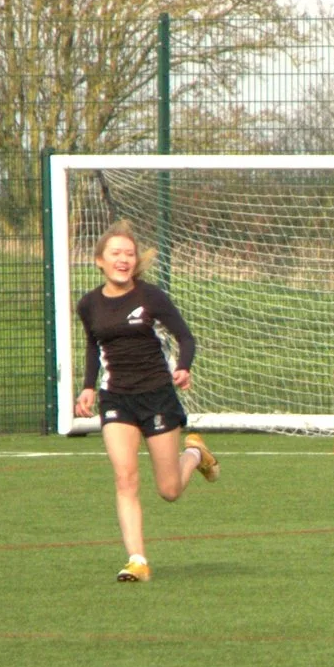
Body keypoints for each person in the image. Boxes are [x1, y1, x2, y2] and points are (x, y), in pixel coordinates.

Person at [73, 220, 217, 583]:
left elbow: (185, 337)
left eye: (129, 253)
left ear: (135, 261)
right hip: (116, 397)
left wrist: (183, 368)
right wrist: (88, 387)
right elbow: (94, 345)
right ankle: (136, 559)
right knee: (125, 477)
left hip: (156, 395)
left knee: (168, 490)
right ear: (99, 261)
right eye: (115, 254)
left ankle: (196, 453)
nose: (123, 259)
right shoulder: (89, 304)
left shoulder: (150, 297)